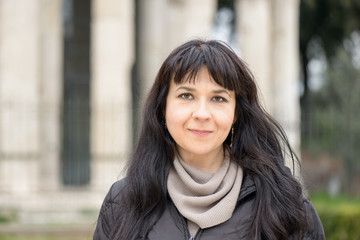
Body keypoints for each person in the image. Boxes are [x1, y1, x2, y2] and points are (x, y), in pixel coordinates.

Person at [93, 40, 325, 240]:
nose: (202, 114)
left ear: (236, 113)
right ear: (163, 108)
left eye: (218, 98)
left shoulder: (285, 207)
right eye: (186, 96)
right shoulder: (123, 202)